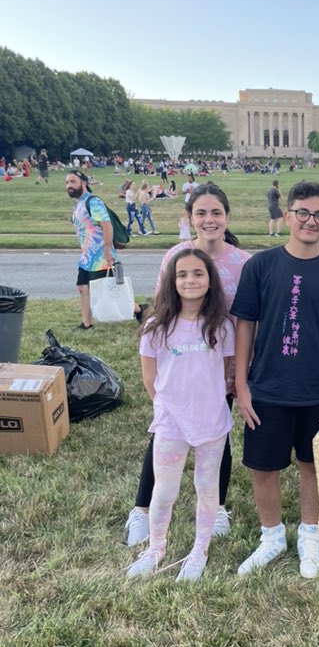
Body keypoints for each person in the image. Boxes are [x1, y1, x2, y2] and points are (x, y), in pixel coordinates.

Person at [233, 181, 319, 580]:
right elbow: (245, 327)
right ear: (287, 216)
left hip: (318, 393)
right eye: (302, 212)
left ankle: (310, 535)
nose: (310, 221)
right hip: (267, 388)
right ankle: (271, 536)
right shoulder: (261, 266)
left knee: (313, 465)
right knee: (263, 467)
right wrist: (242, 384)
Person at [124, 184, 251, 547]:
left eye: (216, 213)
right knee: (164, 435)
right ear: (190, 218)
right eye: (201, 213)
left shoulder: (242, 262)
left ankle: (219, 506)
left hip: (218, 363)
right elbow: (164, 304)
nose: (209, 220)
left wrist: (237, 372)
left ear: (227, 217)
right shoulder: (176, 254)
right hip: (180, 364)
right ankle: (142, 510)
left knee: (218, 436)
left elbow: (247, 320)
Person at [127, 250, 235, 581]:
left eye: (198, 274)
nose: (190, 280)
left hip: (212, 422)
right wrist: (169, 407)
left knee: (207, 487)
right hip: (171, 422)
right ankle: (156, 548)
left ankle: (199, 550)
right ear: (172, 282)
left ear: (210, 280)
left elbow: (228, 371)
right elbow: (151, 378)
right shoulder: (156, 327)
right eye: (183, 274)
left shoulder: (222, 326)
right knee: (165, 489)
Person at [66, 170, 116, 330]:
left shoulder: (93, 202)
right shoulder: (78, 204)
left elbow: (107, 226)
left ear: (84, 182)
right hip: (87, 257)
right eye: (67, 183)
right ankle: (86, 324)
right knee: (82, 287)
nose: (69, 186)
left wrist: (108, 250)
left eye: (73, 182)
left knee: (105, 294)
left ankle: (140, 310)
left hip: (100, 256)